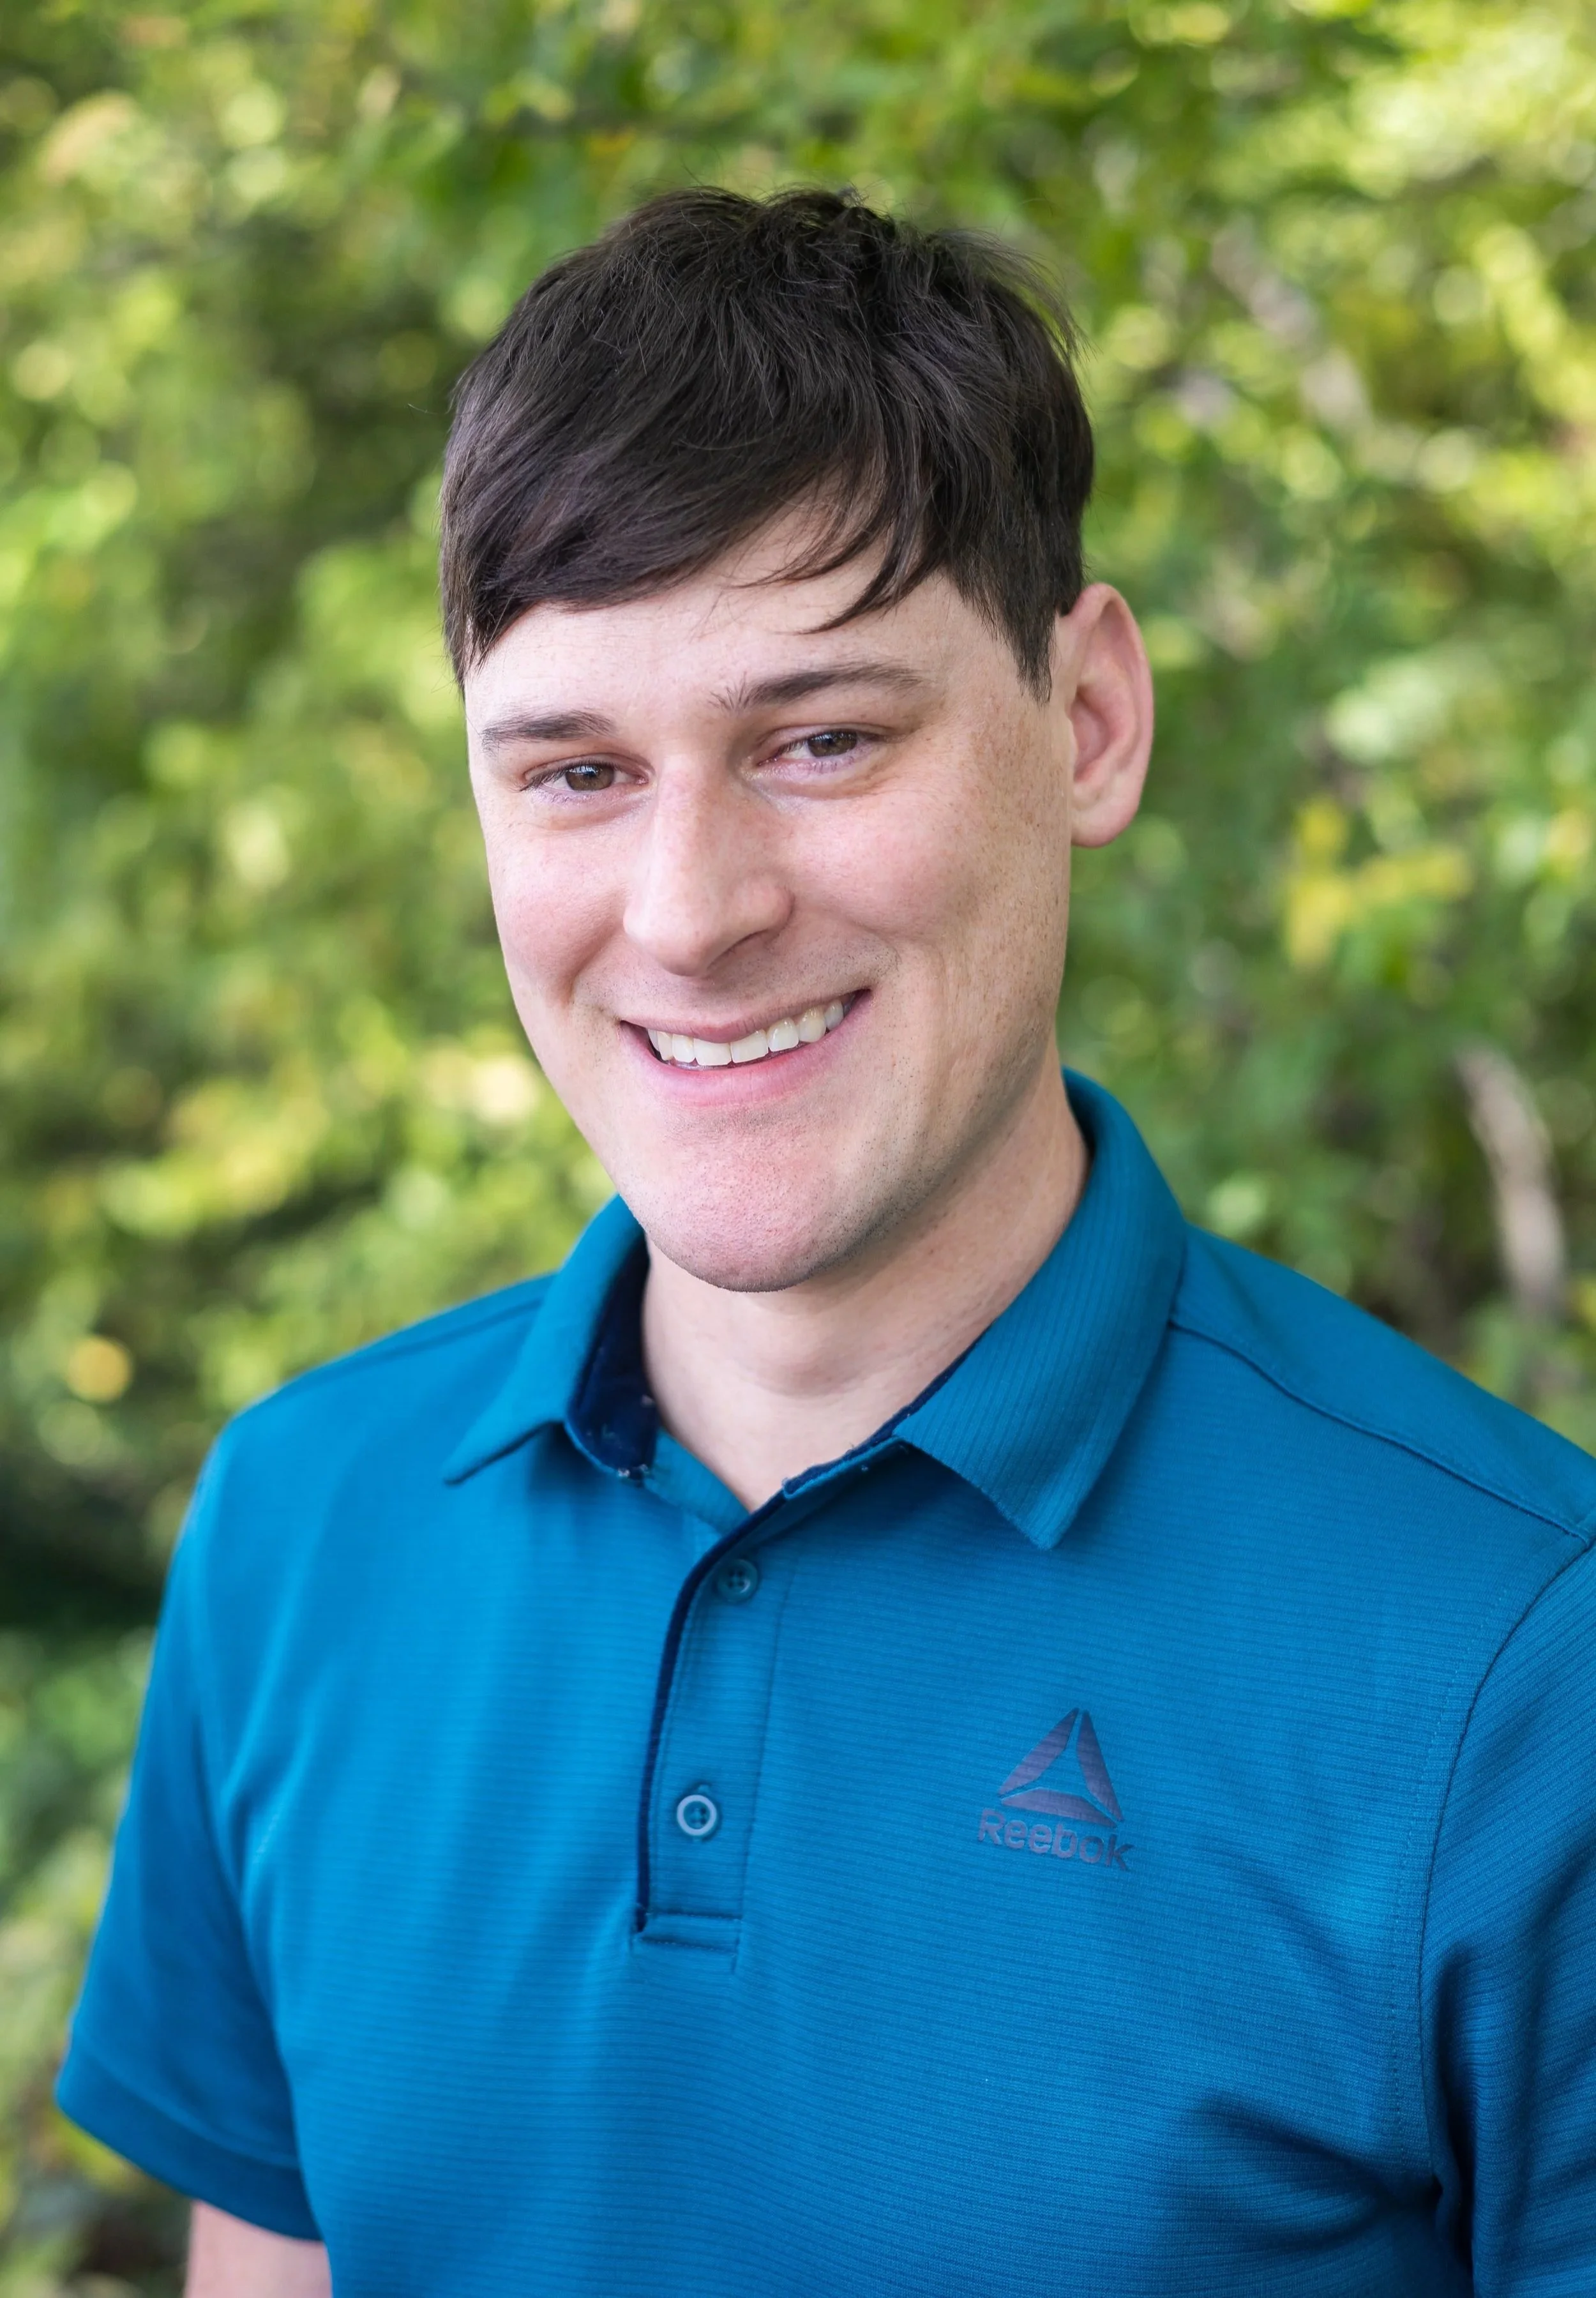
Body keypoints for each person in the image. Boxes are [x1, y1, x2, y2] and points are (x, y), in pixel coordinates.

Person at [59, 188, 1596, 2298]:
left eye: (819, 739)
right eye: (578, 769)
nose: (689, 909)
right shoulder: (301, 1526)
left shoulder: (1524, 1663)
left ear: (1086, 723)